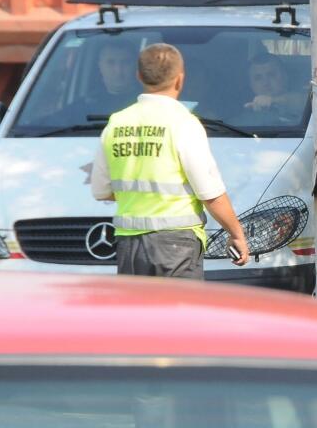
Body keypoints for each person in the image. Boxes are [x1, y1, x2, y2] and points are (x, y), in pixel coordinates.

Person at [90, 43, 250, 277]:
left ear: (139, 77)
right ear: (179, 80)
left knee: (140, 314)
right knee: (180, 313)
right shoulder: (183, 123)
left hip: (129, 246)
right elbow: (210, 193)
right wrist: (236, 234)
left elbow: (101, 190)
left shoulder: (117, 123)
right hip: (177, 245)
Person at [243, 52, 307, 123]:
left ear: (285, 76)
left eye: (271, 75)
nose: (265, 82)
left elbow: (306, 102)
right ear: (250, 84)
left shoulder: (306, 110)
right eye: (258, 78)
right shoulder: (240, 125)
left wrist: (273, 101)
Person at [93, 41, 141, 112]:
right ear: (100, 66)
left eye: (125, 62)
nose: (118, 71)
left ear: (135, 65)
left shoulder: (148, 103)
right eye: (110, 63)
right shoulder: (82, 107)